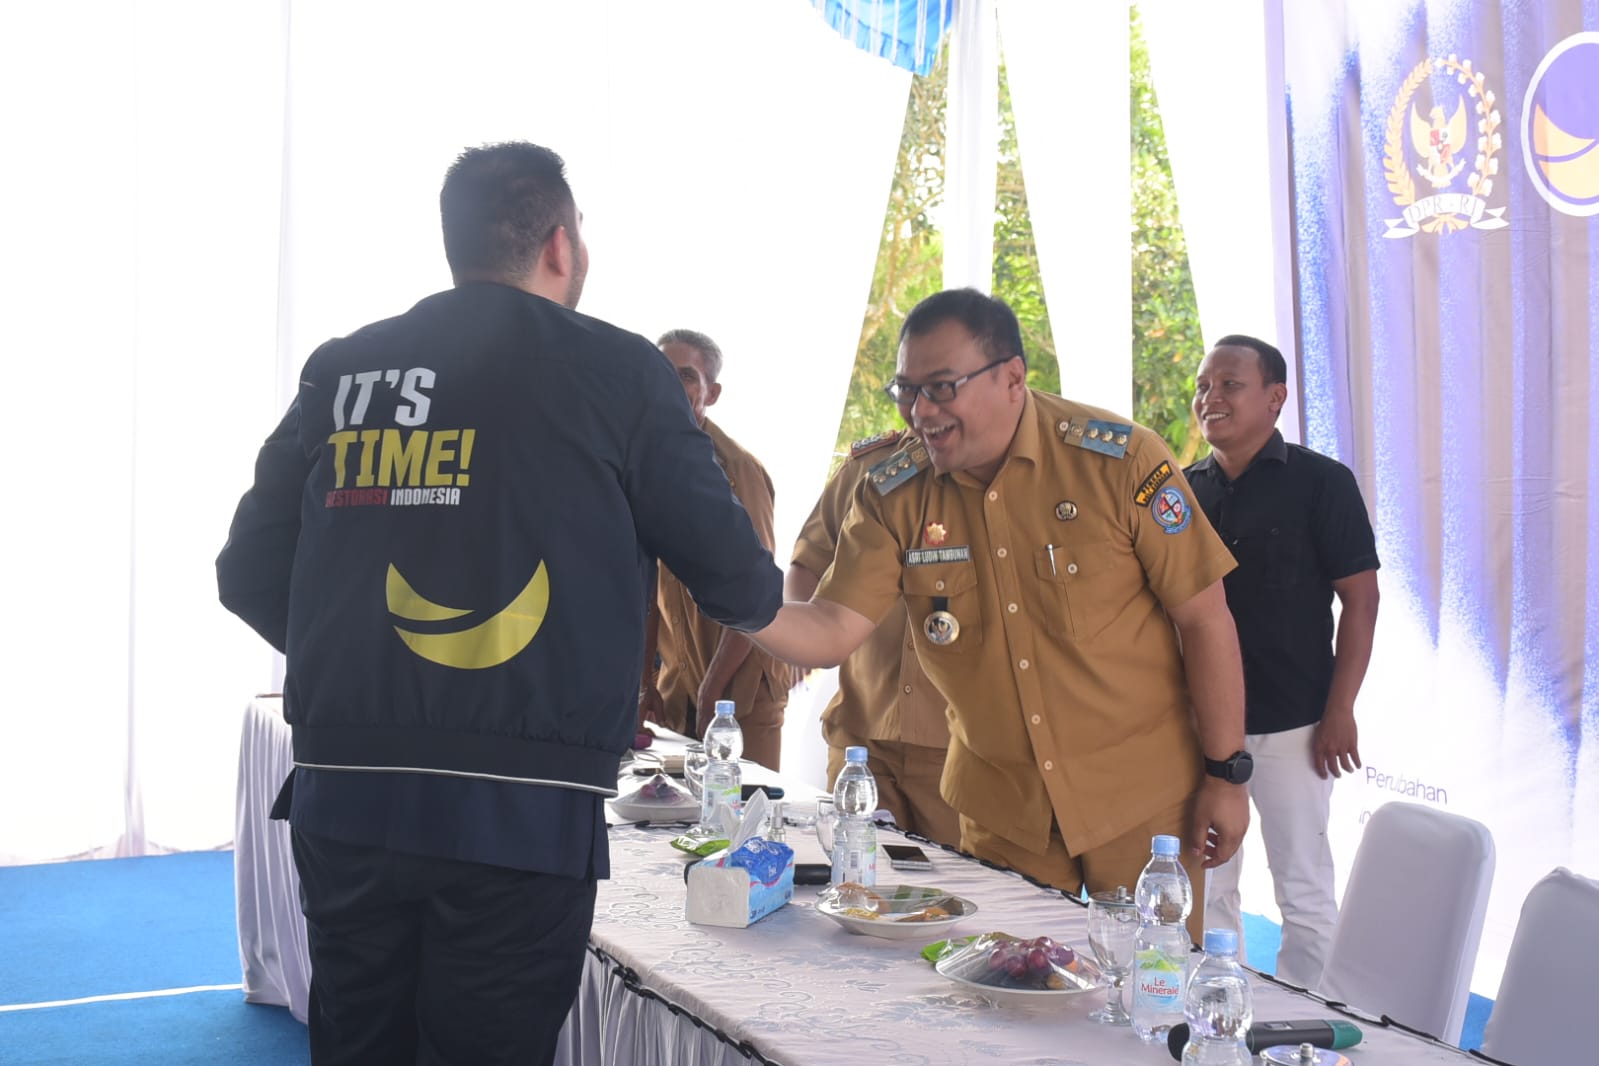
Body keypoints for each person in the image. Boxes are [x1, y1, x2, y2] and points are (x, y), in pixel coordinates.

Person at [215, 141, 783, 1066]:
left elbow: (246, 569)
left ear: (456, 242)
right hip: (520, 804)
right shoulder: (616, 369)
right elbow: (736, 579)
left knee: (359, 1041)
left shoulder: (345, 367)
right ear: (560, 245)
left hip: (347, 789)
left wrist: (366, 656)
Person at [749, 288, 1251, 941]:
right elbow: (830, 629)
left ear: (1012, 378)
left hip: (1140, 805)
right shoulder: (892, 491)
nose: (920, 411)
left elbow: (1205, 620)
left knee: (1147, 991)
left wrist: (1226, 775)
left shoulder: (1119, 461)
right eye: (906, 391)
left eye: (941, 388)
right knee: (1008, 988)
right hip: (1000, 810)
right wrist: (736, 599)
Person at [1185, 334, 1379, 987]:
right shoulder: (1181, 494)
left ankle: (1312, 1029)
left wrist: (1340, 709)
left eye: (1229, 385)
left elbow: (1361, 601)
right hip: (1201, 732)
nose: (1210, 398)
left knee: (1303, 890)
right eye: (1203, 386)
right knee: (1207, 887)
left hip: (1296, 725)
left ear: (1275, 397)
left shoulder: (1321, 483)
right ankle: (1215, 1011)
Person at [786, 428, 961, 846]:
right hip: (861, 736)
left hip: (956, 745)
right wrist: (802, 640)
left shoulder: (992, 479)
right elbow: (807, 564)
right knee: (852, 874)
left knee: (957, 881)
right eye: (910, 394)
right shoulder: (867, 467)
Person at [637, 329, 789, 769]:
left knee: (743, 805)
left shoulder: (739, 470)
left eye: (686, 375)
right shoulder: (643, 464)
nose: (671, 384)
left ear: (712, 393)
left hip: (741, 691)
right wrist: (645, 683)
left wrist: (712, 692)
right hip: (679, 685)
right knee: (673, 805)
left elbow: (756, 592)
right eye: (662, 372)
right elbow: (644, 583)